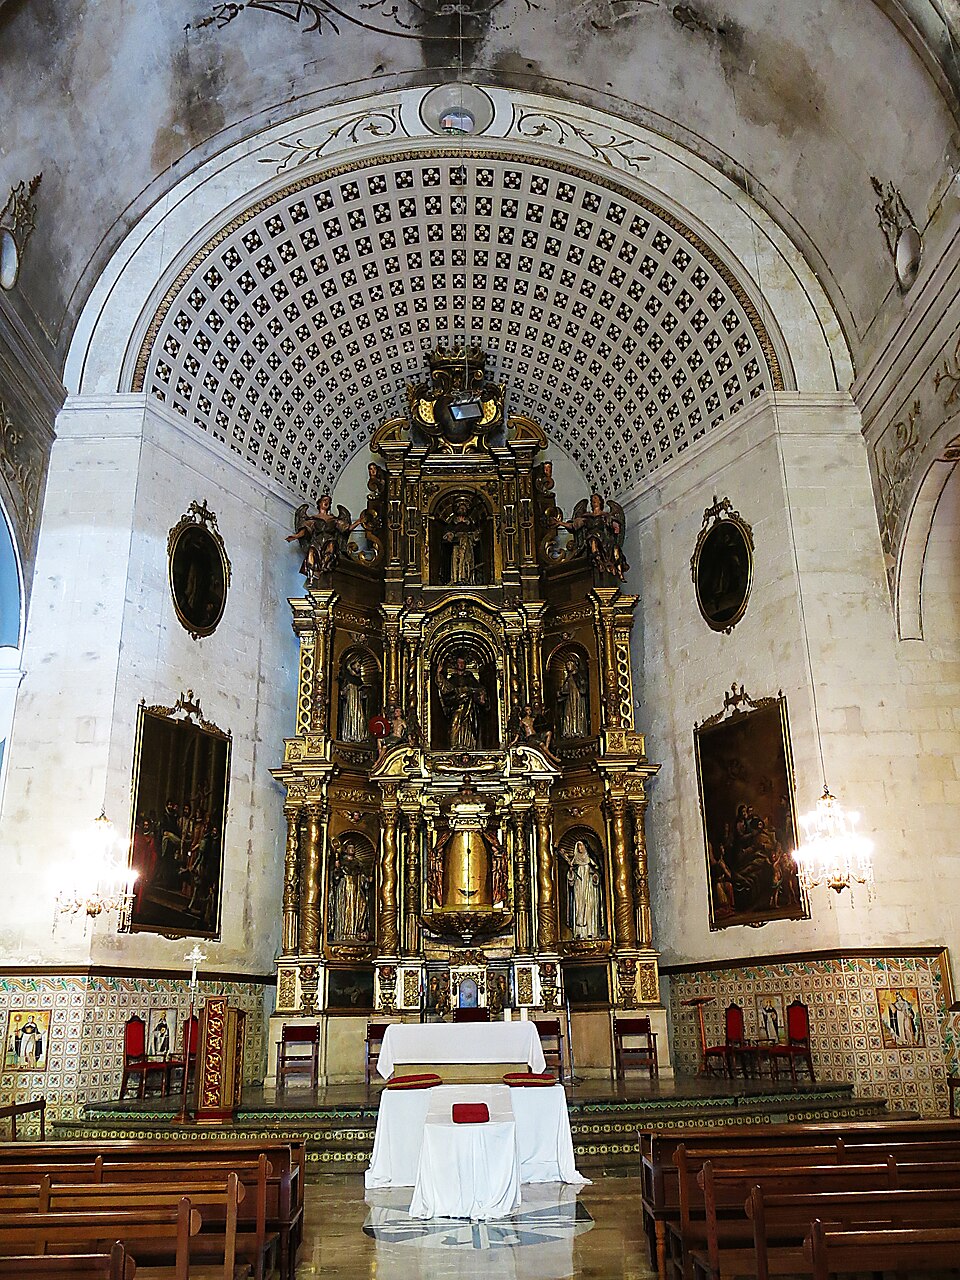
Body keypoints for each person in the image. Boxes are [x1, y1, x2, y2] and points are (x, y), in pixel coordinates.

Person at [555, 491, 629, 580]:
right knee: (592, 537)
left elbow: (615, 525)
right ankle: (596, 558)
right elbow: (573, 526)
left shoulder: (606, 515)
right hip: (591, 539)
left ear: (600, 502)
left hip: (605, 541)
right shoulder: (586, 516)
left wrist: (616, 527)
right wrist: (559, 523)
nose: (593, 500)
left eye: (595, 498)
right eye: (592, 499)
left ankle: (617, 570)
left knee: (614, 547)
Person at [287, 494, 363, 578]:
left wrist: (358, 522)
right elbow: (305, 531)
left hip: (330, 540)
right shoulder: (313, 519)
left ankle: (324, 568)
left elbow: (346, 529)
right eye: (324, 500)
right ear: (319, 503)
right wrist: (296, 536)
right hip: (317, 542)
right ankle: (312, 574)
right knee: (311, 552)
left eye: (329, 501)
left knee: (331, 546)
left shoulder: (334, 519)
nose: (327, 502)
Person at [438, 654, 487, 749]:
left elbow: (479, 688)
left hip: (469, 707)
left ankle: (469, 746)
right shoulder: (453, 679)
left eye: (463, 662)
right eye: (459, 662)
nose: (461, 664)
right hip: (456, 707)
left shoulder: (469, 677)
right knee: (454, 724)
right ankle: (454, 746)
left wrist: (475, 693)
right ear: (456, 664)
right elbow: (446, 688)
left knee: (469, 727)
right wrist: (438, 673)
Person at [441, 494, 483, 584]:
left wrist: (474, 534)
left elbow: (476, 536)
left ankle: (467, 579)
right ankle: (456, 579)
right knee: (456, 561)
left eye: (464, 508)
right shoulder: (452, 521)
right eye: (461, 508)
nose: (462, 510)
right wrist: (451, 535)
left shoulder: (470, 522)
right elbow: (446, 533)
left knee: (467, 561)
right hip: (456, 545)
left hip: (467, 545)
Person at [566, 840, 602, 939]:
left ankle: (591, 931)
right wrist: (571, 873)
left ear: (585, 847)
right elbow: (570, 879)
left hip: (589, 889)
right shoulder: (574, 862)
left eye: (581, 846)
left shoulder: (591, 860)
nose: (580, 848)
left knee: (589, 907)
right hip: (578, 889)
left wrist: (595, 877)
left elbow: (597, 873)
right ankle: (579, 933)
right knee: (579, 908)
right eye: (578, 846)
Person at [338, 654, 368, 743]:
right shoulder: (347, 678)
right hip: (350, 702)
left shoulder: (359, 680)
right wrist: (346, 690)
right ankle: (350, 735)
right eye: (358, 665)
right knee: (350, 717)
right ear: (352, 665)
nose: (359, 668)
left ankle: (359, 736)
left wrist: (363, 692)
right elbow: (342, 692)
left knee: (360, 718)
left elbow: (362, 693)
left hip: (357, 702)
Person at [557, 657, 588, 738]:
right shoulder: (568, 677)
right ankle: (569, 731)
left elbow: (583, 688)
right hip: (569, 700)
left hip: (577, 698)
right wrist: (560, 693)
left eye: (570, 664)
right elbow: (565, 690)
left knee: (577, 713)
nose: (568, 666)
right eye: (567, 664)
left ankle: (578, 730)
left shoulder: (578, 676)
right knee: (568, 714)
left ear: (574, 664)